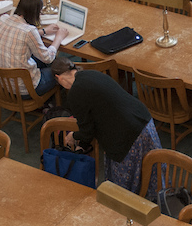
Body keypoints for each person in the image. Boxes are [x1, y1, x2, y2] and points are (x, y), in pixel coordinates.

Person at [52, 58, 161, 196]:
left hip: (126, 135)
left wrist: (73, 136)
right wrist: (82, 142)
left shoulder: (75, 93)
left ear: (59, 78)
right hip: (143, 120)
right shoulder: (90, 73)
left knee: (122, 191)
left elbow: (87, 131)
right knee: (152, 171)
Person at [0, 0, 68, 97]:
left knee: (38, 58)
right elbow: (48, 58)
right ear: (34, 14)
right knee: (62, 71)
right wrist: (59, 37)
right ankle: (51, 99)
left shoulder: (3, 19)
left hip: (4, 83)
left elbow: (18, 32)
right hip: (26, 88)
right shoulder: (29, 31)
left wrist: (43, 31)